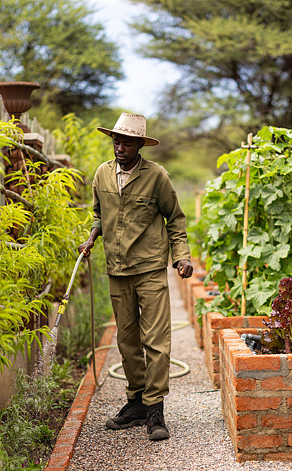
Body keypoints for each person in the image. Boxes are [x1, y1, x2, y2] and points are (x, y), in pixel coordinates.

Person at [78, 112, 193, 441]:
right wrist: (92, 236)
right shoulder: (102, 174)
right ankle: (137, 403)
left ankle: (155, 409)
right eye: (116, 141)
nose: (120, 148)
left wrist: (182, 257)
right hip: (117, 269)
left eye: (127, 143)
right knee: (127, 342)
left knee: (156, 341)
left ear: (140, 145)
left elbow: (176, 219)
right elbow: (99, 214)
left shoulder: (157, 176)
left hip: (150, 268)